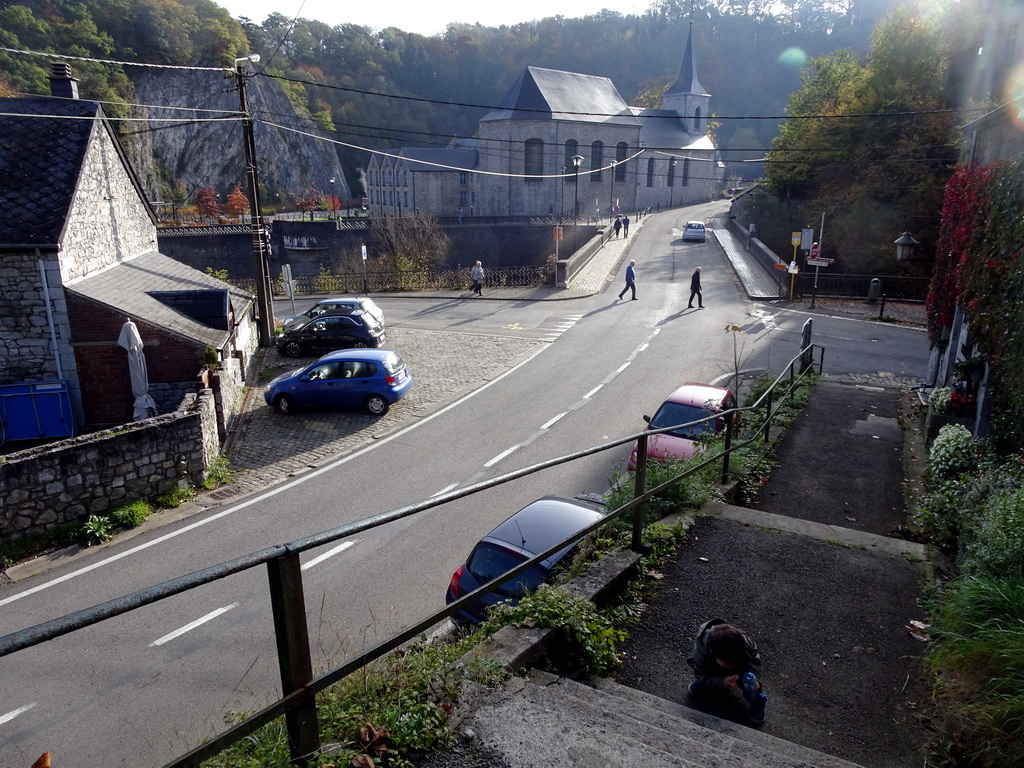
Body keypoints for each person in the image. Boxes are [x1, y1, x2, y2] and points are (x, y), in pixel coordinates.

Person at [686, 618, 767, 724]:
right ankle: (705, 684)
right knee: (704, 680)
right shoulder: (701, 654)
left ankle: (757, 701)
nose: (731, 667)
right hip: (711, 667)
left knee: (750, 684)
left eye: (733, 663)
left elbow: (753, 660)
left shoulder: (744, 643)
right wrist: (722, 683)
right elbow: (701, 673)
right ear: (712, 651)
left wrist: (754, 678)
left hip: (740, 666)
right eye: (727, 664)